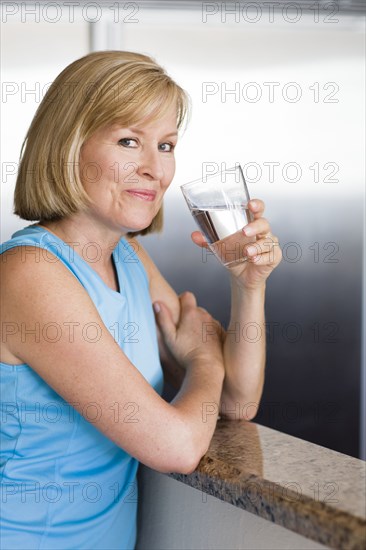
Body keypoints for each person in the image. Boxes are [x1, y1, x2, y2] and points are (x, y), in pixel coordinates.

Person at [0, 51, 282, 549]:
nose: (155, 168)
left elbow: (238, 402)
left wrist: (248, 283)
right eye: (129, 141)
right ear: (69, 144)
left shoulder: (128, 259)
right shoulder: (30, 272)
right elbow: (176, 447)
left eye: (166, 144)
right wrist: (201, 358)